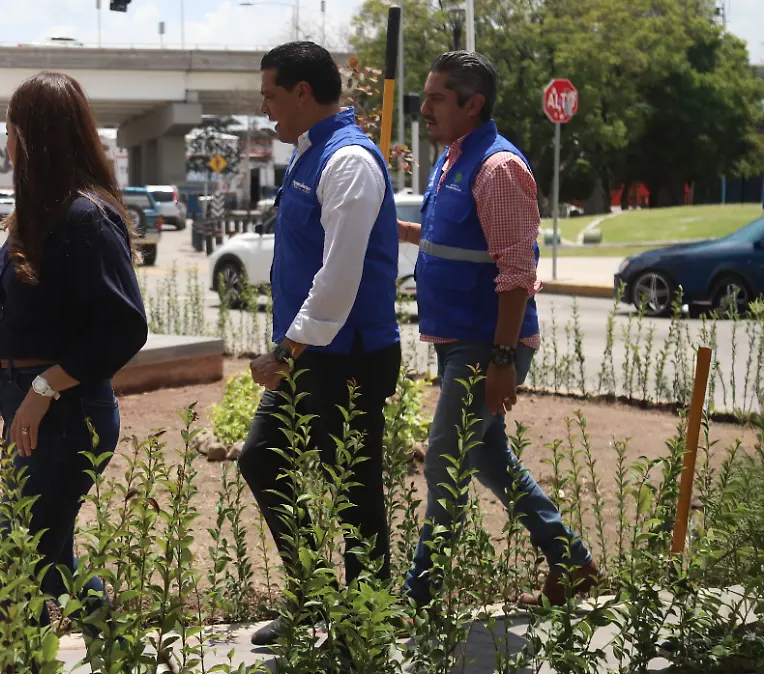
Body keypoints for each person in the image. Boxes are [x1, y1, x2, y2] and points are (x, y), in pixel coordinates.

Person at [397, 51, 600, 608]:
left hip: (486, 343)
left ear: (472, 103)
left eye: (438, 97)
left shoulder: (497, 167)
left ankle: (417, 597)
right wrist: (394, 230)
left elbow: (517, 273)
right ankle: (573, 562)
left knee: (443, 455)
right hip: (458, 337)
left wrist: (503, 359)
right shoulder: (453, 160)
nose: (425, 107)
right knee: (486, 457)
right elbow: (453, 239)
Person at [0, 71, 149, 626]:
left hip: (69, 414)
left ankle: (24, 659)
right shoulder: (39, 214)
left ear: (31, 137)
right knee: (50, 560)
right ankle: (113, 646)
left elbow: (124, 327)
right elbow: (20, 319)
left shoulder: (87, 218)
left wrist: (42, 388)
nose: (6, 144)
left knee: (14, 562)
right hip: (33, 408)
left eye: (10, 130)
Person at [236, 41, 403, 647]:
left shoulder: (349, 161)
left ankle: (366, 626)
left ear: (303, 92)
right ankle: (315, 599)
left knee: (355, 487)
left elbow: (340, 276)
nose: (266, 110)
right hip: (313, 356)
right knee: (261, 457)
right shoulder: (311, 154)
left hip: (348, 357)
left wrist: (285, 351)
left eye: (271, 96)